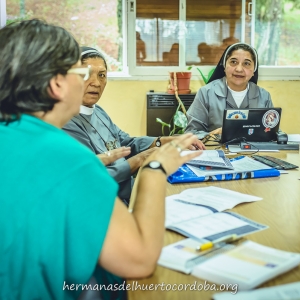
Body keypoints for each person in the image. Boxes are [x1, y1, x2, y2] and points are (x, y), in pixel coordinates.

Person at [0, 19, 202, 300]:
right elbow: (138, 260)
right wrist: (156, 167)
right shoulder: (66, 157)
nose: (90, 81)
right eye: (80, 71)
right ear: (58, 84)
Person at [63, 47, 205, 204]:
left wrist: (163, 141)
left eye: (102, 75)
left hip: (130, 193)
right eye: (86, 74)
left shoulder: (98, 112)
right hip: (108, 205)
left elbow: (125, 142)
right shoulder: (66, 122)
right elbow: (91, 178)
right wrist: (139, 160)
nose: (96, 83)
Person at [185, 42, 275, 139]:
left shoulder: (264, 96)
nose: (239, 69)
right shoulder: (206, 93)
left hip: (252, 152)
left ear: (254, 70)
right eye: (233, 62)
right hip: (216, 151)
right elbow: (191, 133)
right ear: (224, 66)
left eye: (246, 63)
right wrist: (213, 135)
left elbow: (271, 130)